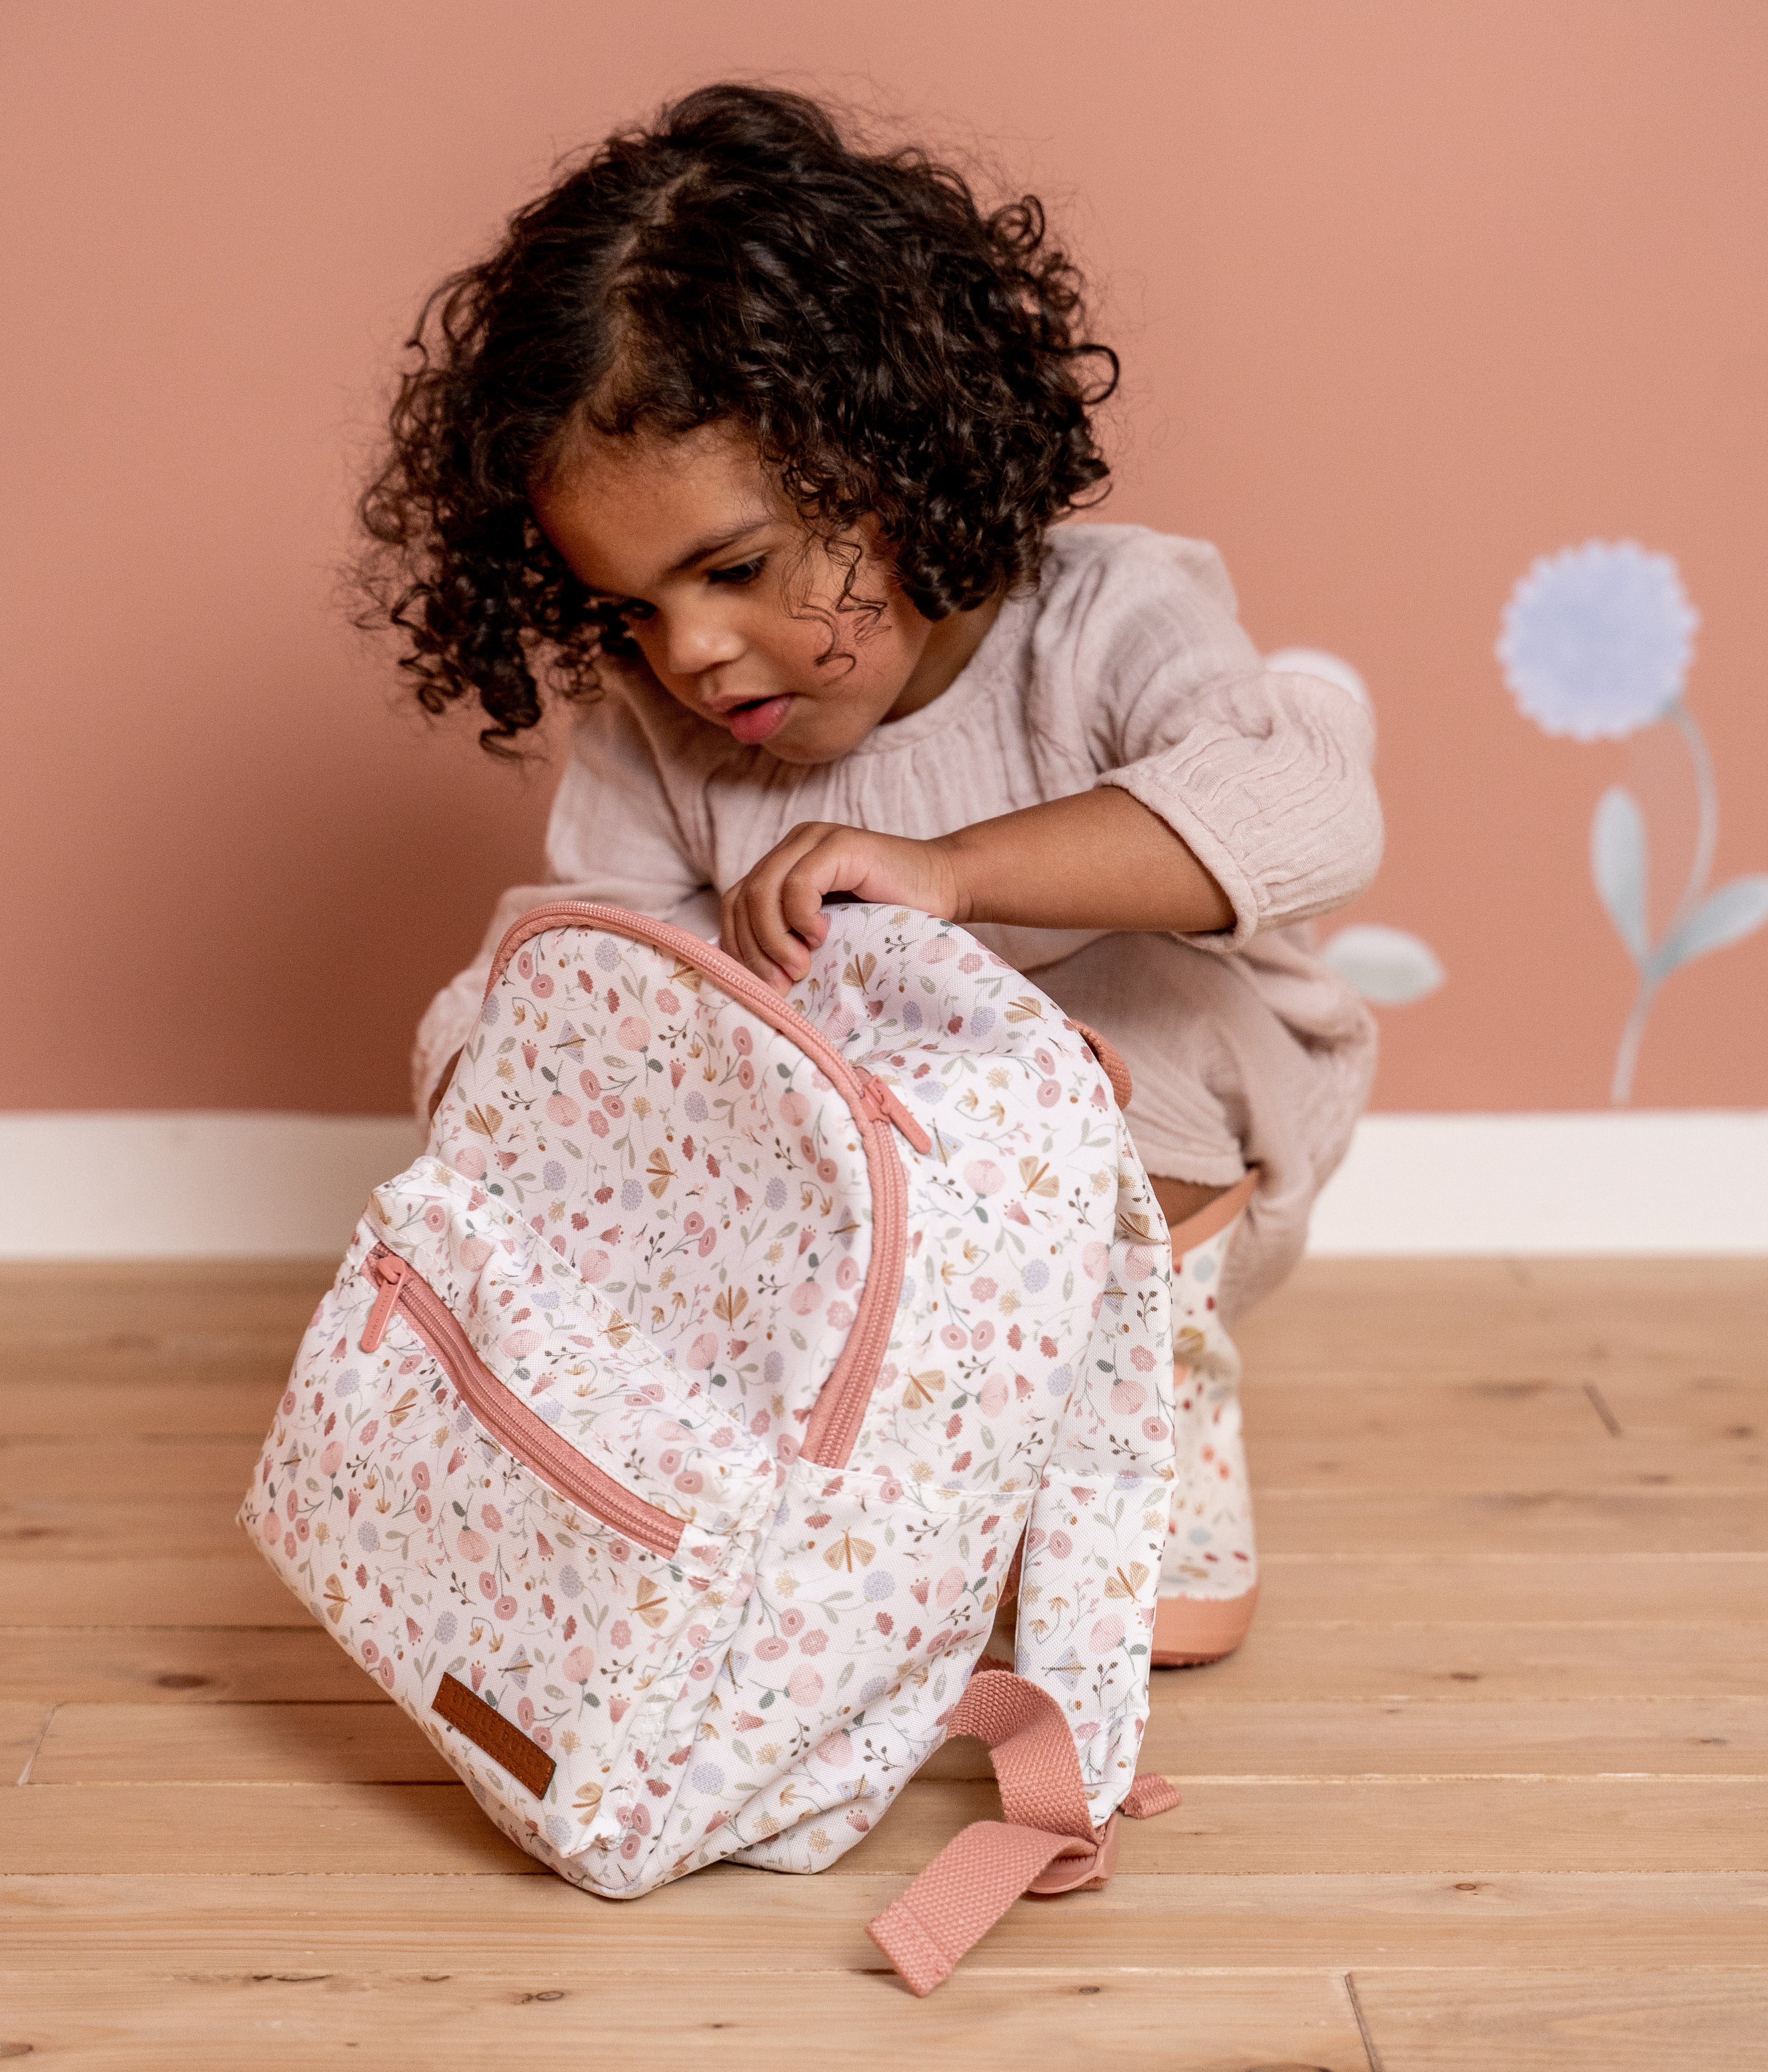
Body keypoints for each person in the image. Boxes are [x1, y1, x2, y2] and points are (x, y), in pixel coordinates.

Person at [359, 82, 1382, 1665]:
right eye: (630, 608)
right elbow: (614, 944)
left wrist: (957, 871)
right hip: (873, 1184)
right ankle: (868, 1460)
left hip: (1162, 1136)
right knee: (521, 1021)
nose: (689, 649)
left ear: (896, 455)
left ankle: (1145, 1421)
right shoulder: (666, 728)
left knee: (1142, 1016)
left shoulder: (1109, 621)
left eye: (738, 568)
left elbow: (1308, 803)